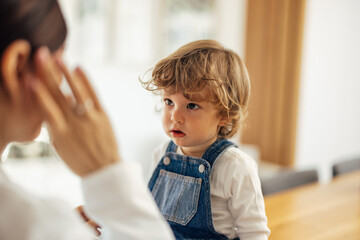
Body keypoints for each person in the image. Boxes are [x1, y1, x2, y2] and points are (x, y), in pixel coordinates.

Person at [0, 0, 174, 239]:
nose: (60, 85)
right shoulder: (35, 224)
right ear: (17, 65)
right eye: (57, 66)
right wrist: (107, 170)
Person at [142, 40, 270, 239]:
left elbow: (254, 233)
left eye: (191, 105)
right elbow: (147, 211)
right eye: (169, 102)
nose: (175, 116)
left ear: (225, 115)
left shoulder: (236, 167)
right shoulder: (162, 154)